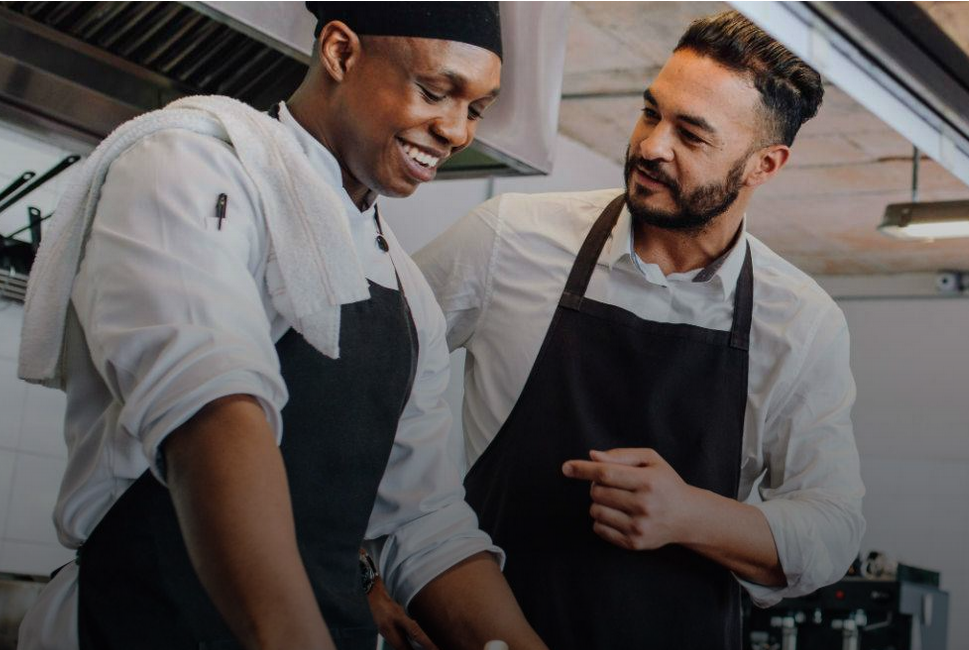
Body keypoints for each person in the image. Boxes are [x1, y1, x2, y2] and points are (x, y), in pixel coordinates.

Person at [16, 3, 547, 650]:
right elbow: (208, 408)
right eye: (436, 92)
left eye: (477, 109)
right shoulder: (191, 165)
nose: (456, 130)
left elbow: (425, 523)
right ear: (340, 52)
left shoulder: (410, 297)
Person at [415, 10, 865, 649]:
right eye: (651, 112)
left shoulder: (802, 321)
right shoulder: (508, 238)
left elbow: (832, 527)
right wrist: (373, 568)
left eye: (691, 134)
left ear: (764, 165)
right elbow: (368, 377)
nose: (652, 145)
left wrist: (689, 515)